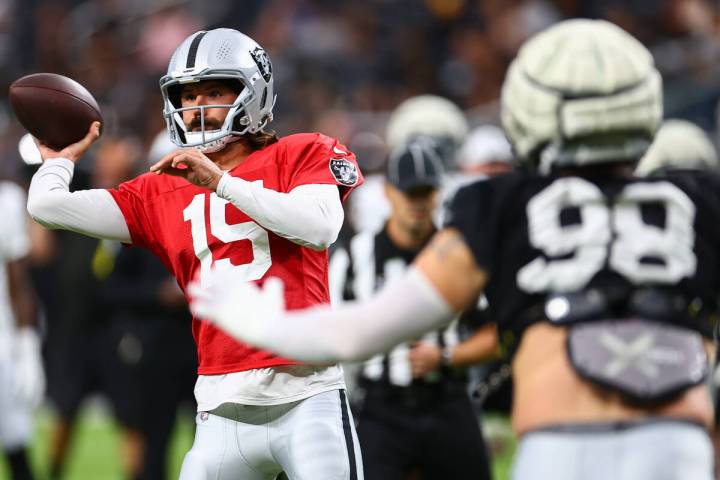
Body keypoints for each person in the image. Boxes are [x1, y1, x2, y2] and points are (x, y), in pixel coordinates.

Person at [190, 19, 718, 479]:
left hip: (560, 446)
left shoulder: (503, 205)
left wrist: (257, 321)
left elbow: (360, 330)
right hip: (678, 441)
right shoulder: (700, 199)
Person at [27, 28, 364, 480]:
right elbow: (47, 206)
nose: (198, 107)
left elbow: (319, 227)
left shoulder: (302, 152)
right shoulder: (161, 187)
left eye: (215, 91)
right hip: (220, 411)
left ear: (253, 91)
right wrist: (59, 160)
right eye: (186, 95)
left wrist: (220, 182)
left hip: (306, 397)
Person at [331, 141, 493, 479]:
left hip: (447, 400)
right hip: (381, 407)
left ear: (438, 193)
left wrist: (447, 356)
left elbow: (499, 333)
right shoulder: (355, 256)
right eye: (409, 192)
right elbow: (331, 336)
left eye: (425, 192)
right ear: (388, 192)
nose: (417, 203)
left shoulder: (461, 254)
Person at [0, 181, 44, 480]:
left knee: (16, 442)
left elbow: (18, 282)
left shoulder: (7, 200)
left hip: (3, 346)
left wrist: (27, 346)